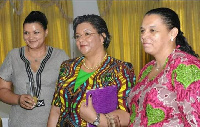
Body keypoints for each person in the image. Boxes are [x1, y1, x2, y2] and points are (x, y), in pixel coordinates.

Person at [47, 14, 136, 127]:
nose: (81, 40)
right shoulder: (67, 67)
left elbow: (126, 115)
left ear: (102, 37)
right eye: (77, 36)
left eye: (87, 34)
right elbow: (56, 110)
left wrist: (96, 119)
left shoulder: (120, 69)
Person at [127, 7, 200, 126]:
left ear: (172, 33)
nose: (144, 36)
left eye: (152, 30)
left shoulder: (185, 66)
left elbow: (195, 121)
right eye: (142, 31)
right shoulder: (147, 69)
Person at [0, 11, 69, 127]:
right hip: (19, 123)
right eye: (26, 33)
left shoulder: (60, 56)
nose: (30, 37)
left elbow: (71, 91)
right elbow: (2, 89)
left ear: (46, 32)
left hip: (53, 123)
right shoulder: (14, 56)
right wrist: (18, 99)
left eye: (36, 32)